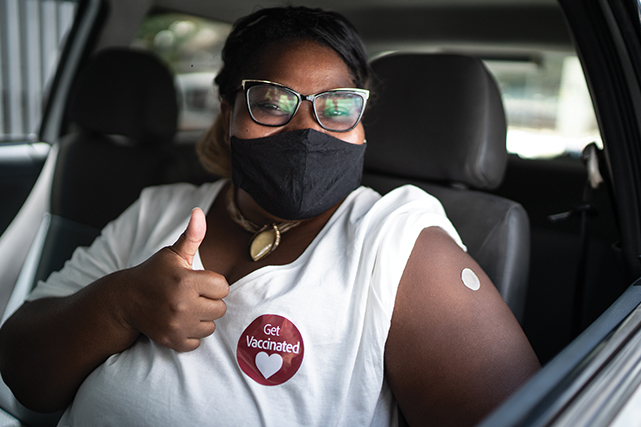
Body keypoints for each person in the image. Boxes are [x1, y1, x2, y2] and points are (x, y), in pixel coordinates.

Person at [0, 6, 540, 426]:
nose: (306, 131)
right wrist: (119, 305)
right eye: (273, 102)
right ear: (227, 113)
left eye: (335, 107)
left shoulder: (394, 241)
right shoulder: (160, 209)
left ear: (361, 125)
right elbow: (23, 369)